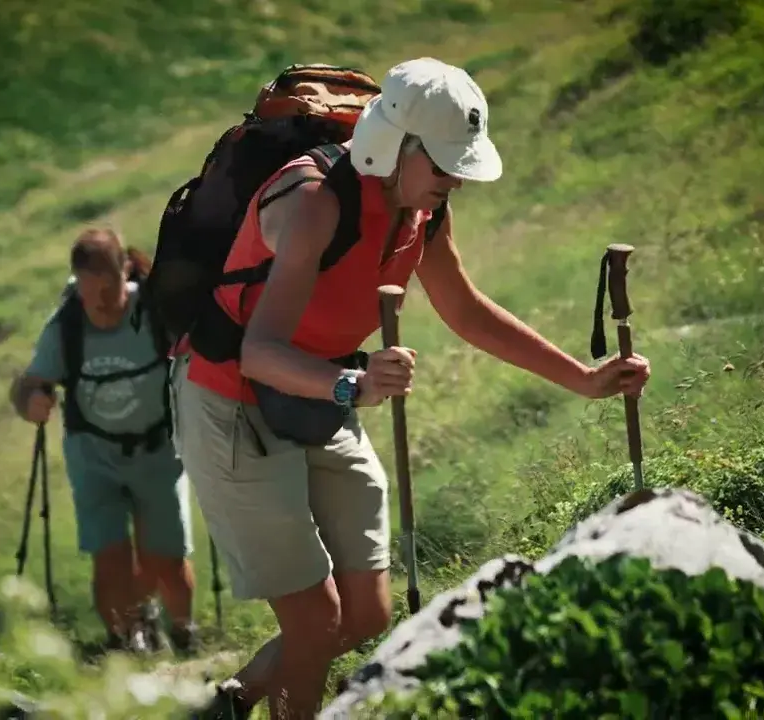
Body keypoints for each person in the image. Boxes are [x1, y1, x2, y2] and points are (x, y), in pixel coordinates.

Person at [174, 57, 652, 718]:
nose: (455, 178)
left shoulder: (422, 210)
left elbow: (467, 311)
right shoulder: (312, 201)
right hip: (232, 399)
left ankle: (230, 701)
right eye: (443, 163)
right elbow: (259, 353)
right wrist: (353, 385)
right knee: (316, 619)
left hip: (324, 390)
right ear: (393, 143)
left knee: (364, 613)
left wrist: (586, 379)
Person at [9, 227, 200, 656]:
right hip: (94, 456)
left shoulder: (153, 313)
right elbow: (29, 383)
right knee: (109, 557)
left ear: (125, 272)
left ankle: (184, 633)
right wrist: (31, 402)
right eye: (88, 290)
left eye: (108, 286)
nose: (98, 301)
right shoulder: (66, 327)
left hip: (158, 450)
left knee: (165, 557)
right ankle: (123, 642)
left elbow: (197, 355)